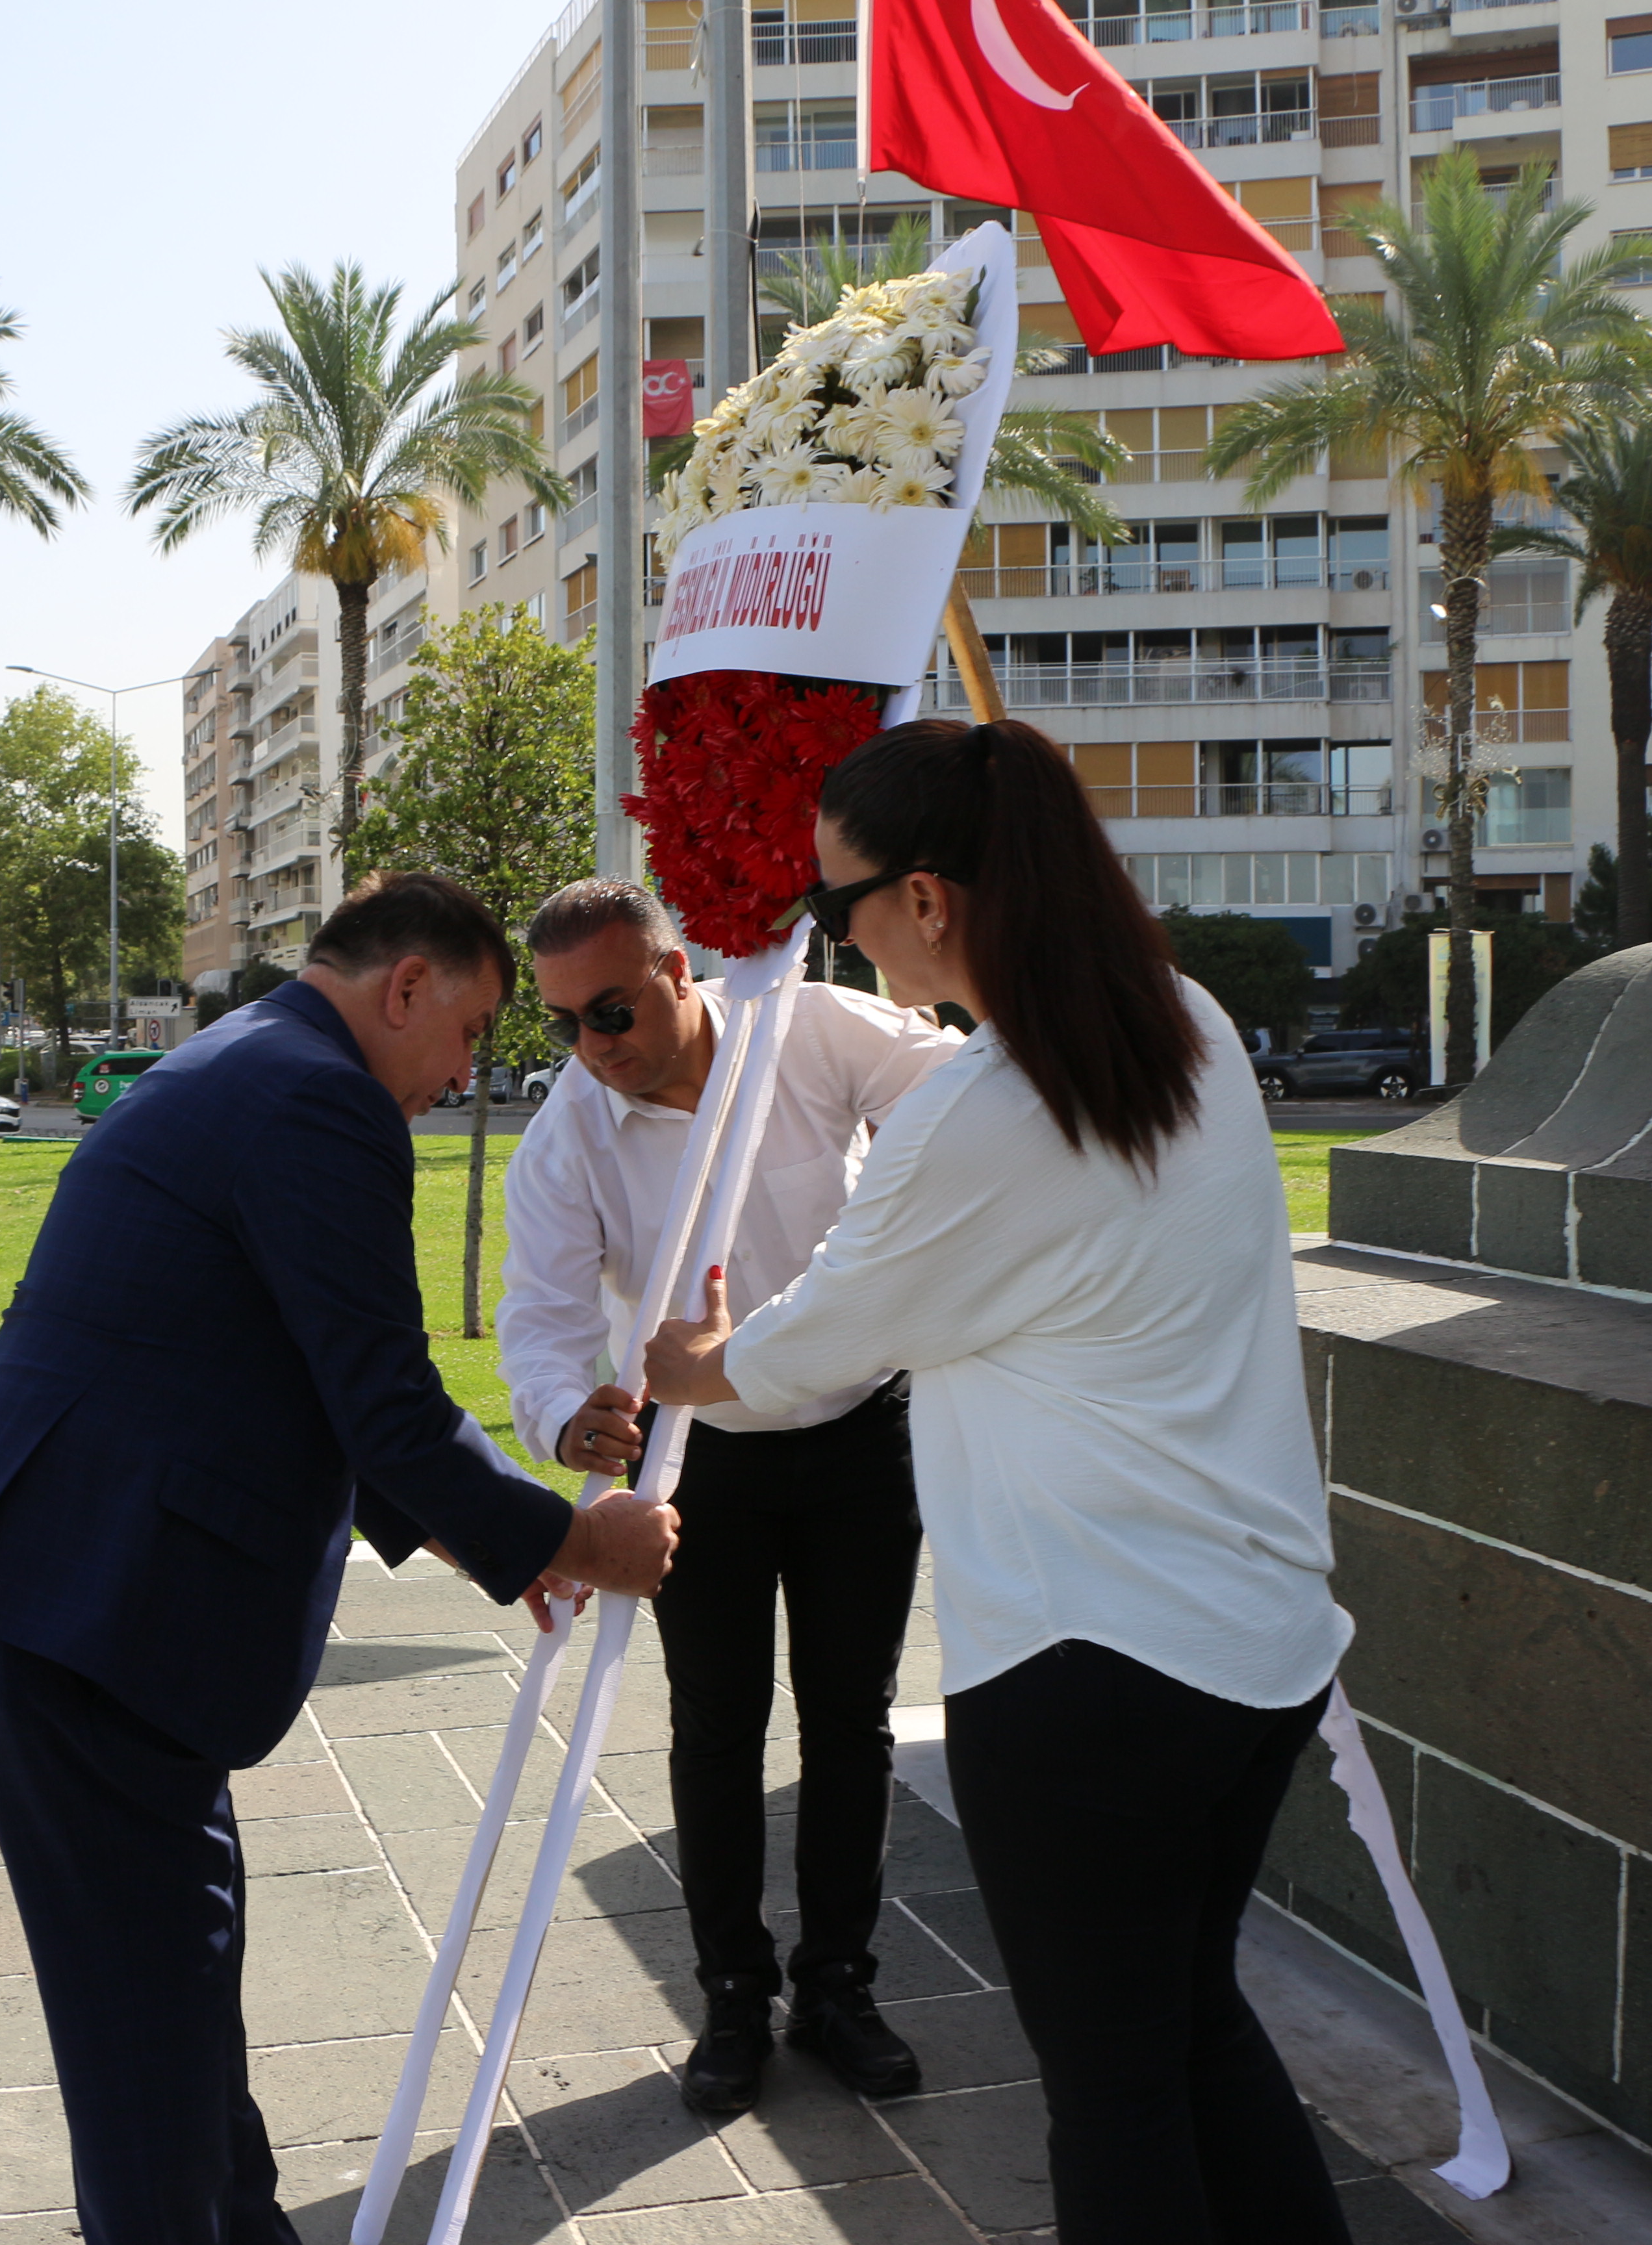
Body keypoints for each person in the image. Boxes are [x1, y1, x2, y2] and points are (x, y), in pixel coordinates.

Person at [0, 870, 680, 2245]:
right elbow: (381, 1392)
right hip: (87, 1601)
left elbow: (288, 1364)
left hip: (53, 1578)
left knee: (169, 1989)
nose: (470, 1068)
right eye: (476, 1028)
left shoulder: (248, 1058)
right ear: (408, 988)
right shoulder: (322, 1101)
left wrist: (467, 1525)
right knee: (147, 2036)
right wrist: (572, 1536)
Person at [643, 719, 1356, 2243]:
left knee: (1113, 2094)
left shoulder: (981, 1110)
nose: (832, 937)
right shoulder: (1190, 1020)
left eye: (836, 907)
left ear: (928, 900)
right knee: (1188, 2027)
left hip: (1090, 1668)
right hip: (1254, 1642)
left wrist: (686, 1360)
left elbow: (813, 1343)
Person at [500, 878, 959, 2114]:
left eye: (608, 1009)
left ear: (676, 971)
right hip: (691, 1462)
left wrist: (908, 1235)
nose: (593, 1048)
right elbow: (540, 1315)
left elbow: (959, 1087)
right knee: (714, 1729)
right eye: (562, 1025)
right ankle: (729, 1998)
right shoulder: (572, 1127)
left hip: (862, 1430)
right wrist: (562, 1413)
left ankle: (838, 1988)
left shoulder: (804, 1030)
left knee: (848, 1719)